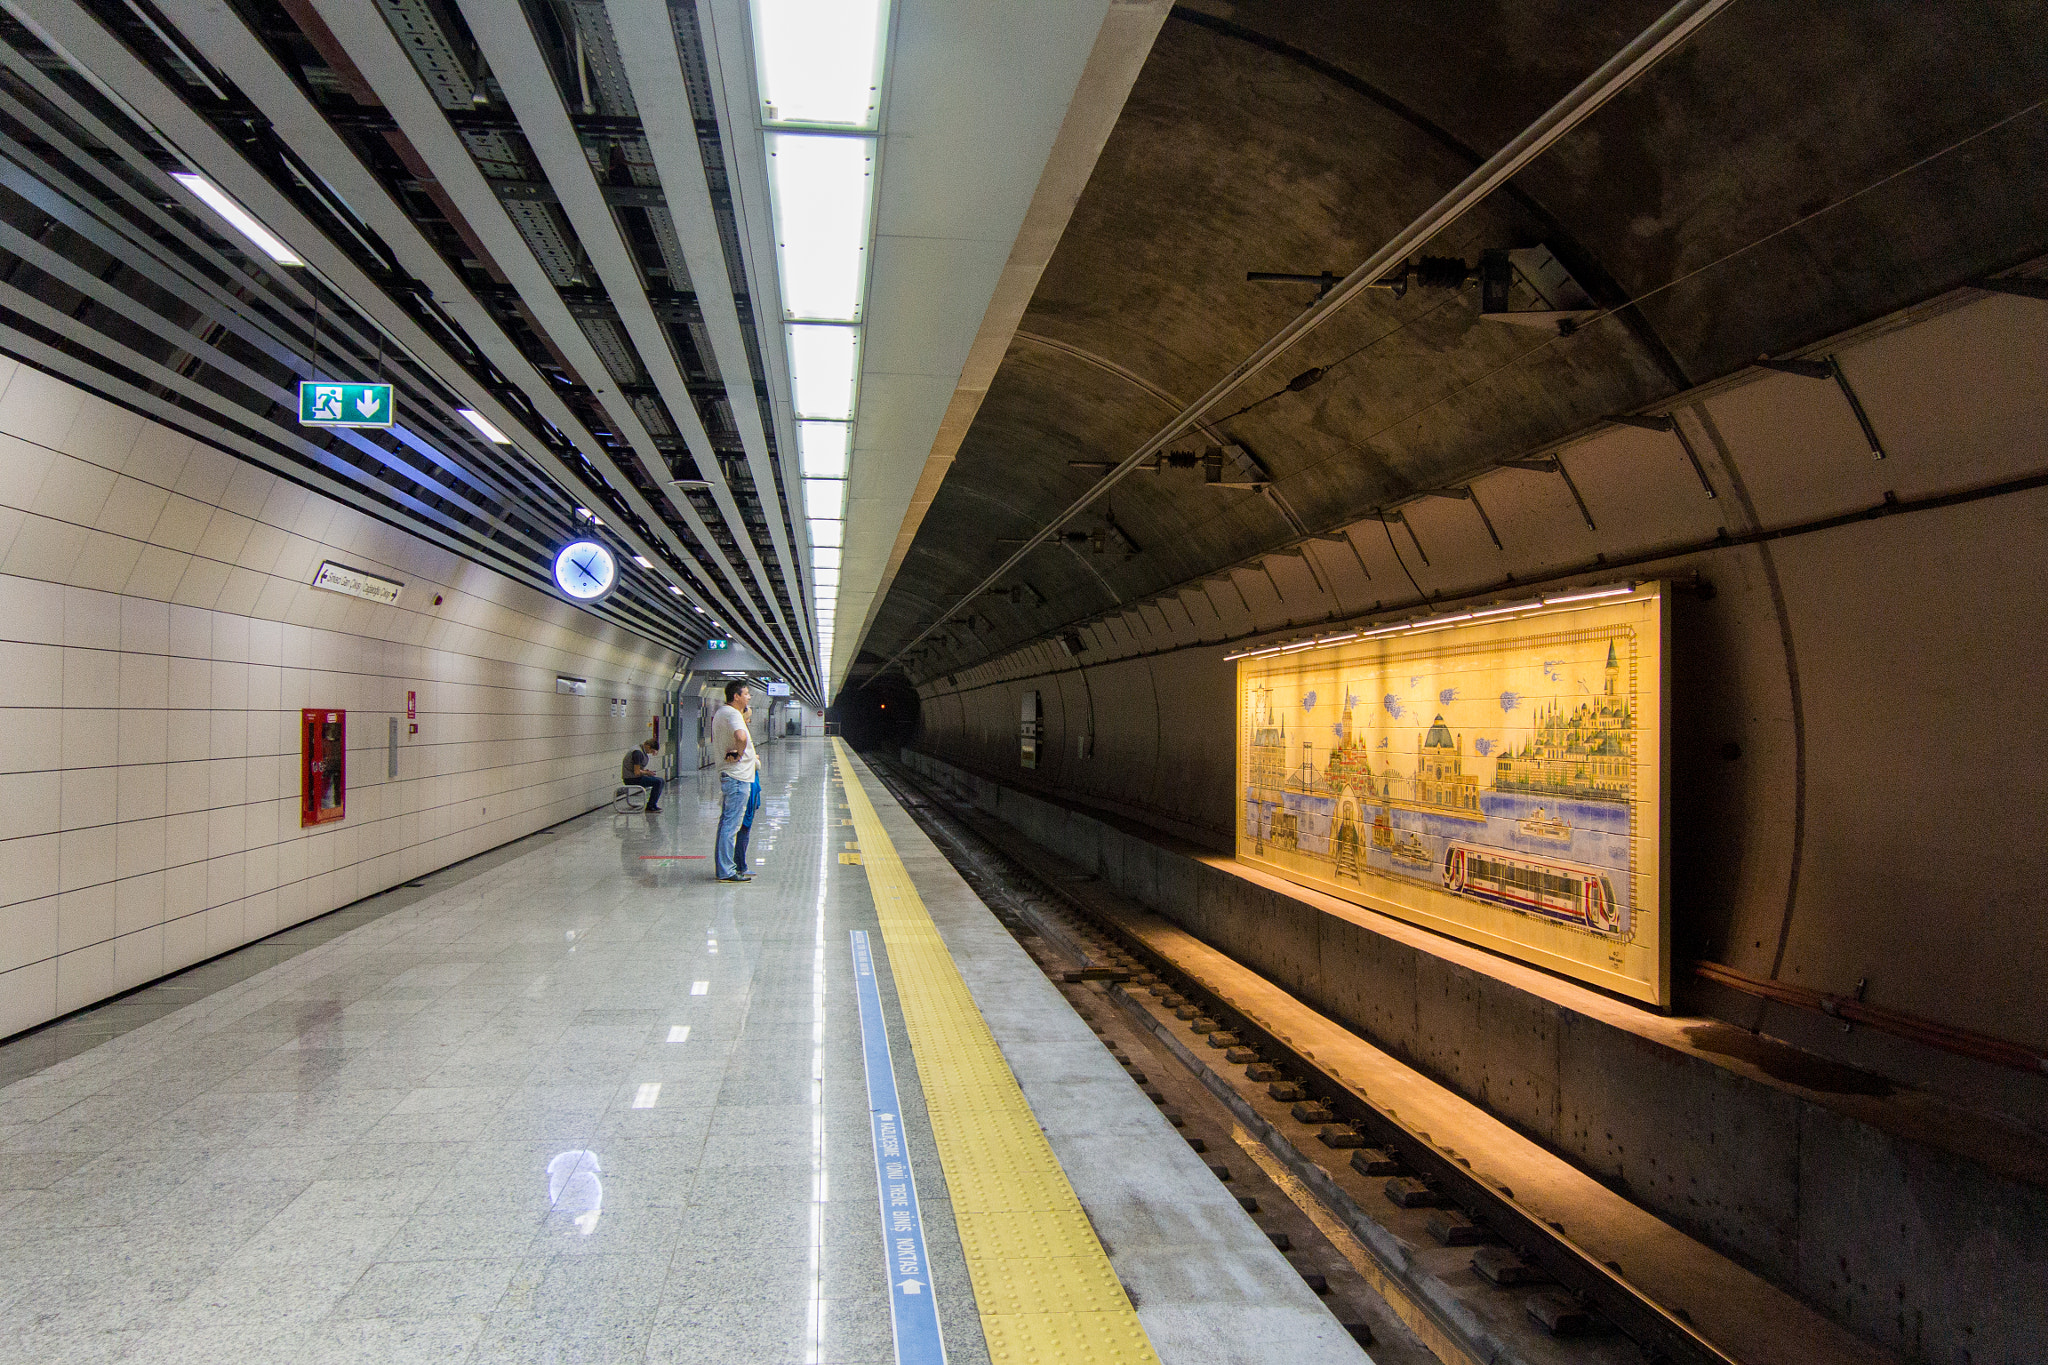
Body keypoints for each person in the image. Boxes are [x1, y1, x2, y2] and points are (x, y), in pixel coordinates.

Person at [712, 680, 757, 881]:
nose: (748, 697)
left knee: (726, 824)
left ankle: (724, 867)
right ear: (736, 696)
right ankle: (726, 871)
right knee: (731, 826)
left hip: (731, 776)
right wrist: (739, 754)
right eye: (746, 694)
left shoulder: (721, 713)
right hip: (738, 777)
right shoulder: (732, 714)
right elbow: (741, 736)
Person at [733, 697, 764, 875]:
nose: (749, 721)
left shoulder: (741, 730)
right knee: (742, 827)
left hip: (748, 780)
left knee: (742, 827)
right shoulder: (739, 732)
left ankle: (739, 864)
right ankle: (739, 865)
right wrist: (753, 759)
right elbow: (732, 755)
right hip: (745, 781)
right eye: (748, 717)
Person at [621, 737, 663, 812]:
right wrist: (647, 773)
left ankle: (652, 804)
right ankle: (651, 806)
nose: (650, 753)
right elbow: (637, 772)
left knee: (660, 780)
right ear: (648, 747)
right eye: (651, 751)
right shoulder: (638, 753)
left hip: (633, 777)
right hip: (631, 779)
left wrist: (646, 772)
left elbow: (637, 769)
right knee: (658, 782)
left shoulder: (639, 749)